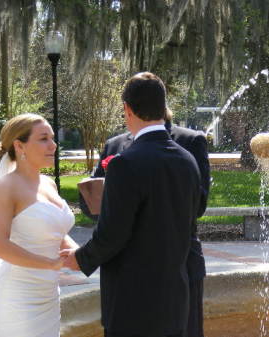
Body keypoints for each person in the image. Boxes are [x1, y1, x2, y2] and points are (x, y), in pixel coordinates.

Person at [63, 72, 201, 337]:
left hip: (133, 302)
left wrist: (78, 260)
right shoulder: (187, 159)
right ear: (163, 107)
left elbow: (112, 235)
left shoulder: (125, 163)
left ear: (127, 109)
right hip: (175, 298)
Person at [85, 109, 210, 337]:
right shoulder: (115, 145)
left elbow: (198, 205)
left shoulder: (190, 142)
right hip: (126, 273)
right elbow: (92, 202)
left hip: (180, 264)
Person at [0, 113, 78, 337]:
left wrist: (80, 254)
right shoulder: (5, 187)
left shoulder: (49, 183)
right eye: (43, 139)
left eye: (52, 138)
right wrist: (49, 264)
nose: (53, 145)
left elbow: (56, 233)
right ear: (19, 145)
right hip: (18, 297)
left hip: (49, 295)